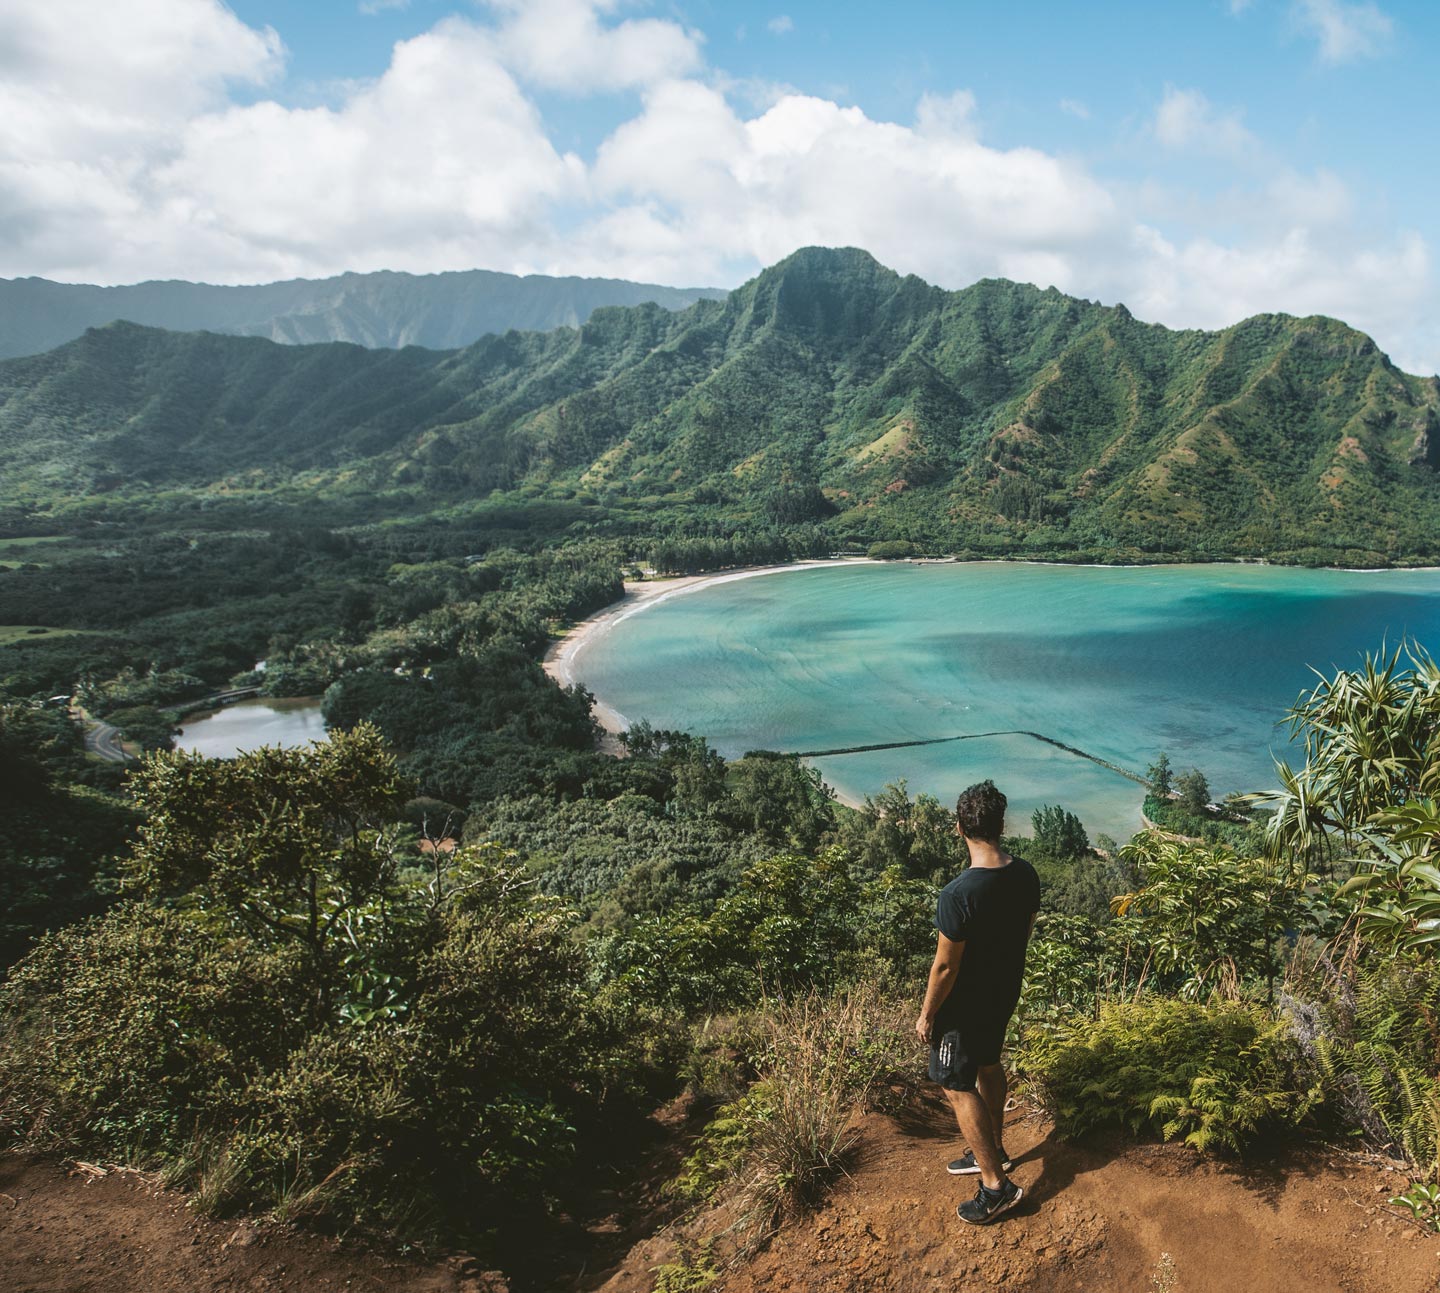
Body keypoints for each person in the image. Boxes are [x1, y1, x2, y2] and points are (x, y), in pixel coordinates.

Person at [914, 779, 1041, 1225]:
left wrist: (928, 1014)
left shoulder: (958, 894)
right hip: (1003, 993)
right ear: (1001, 825)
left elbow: (945, 968)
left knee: (954, 1083)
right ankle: (996, 1150)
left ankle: (995, 1186)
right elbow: (1023, 932)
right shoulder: (1025, 873)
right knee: (988, 1064)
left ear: (958, 828)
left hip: (964, 1007)